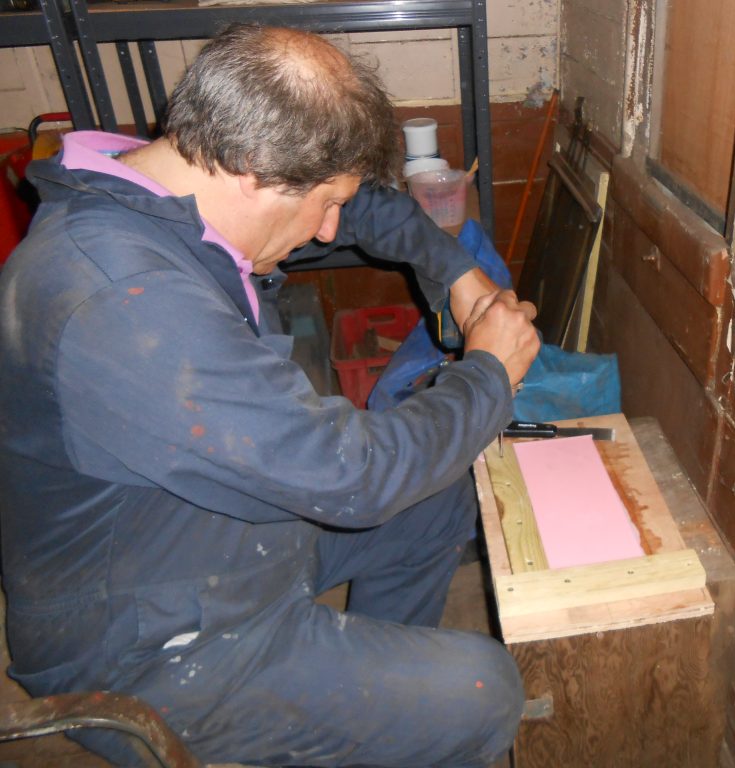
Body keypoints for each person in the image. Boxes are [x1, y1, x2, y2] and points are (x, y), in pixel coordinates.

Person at [0, 23, 540, 768]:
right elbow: (352, 477)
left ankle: (366, 709)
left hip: (203, 547)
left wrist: (455, 273)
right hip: (145, 644)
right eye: (322, 204)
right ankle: (388, 717)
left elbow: (365, 211)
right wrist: (488, 371)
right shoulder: (121, 302)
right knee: (483, 692)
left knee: (441, 494)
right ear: (255, 165)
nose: (327, 229)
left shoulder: (162, 194)